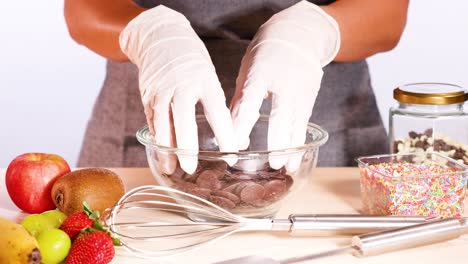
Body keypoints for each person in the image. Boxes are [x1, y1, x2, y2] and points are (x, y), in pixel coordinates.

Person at [65, 0, 409, 172]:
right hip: (150, 141)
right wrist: (150, 34)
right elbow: (82, 10)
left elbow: (388, 15)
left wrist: (313, 32)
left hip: (330, 141)